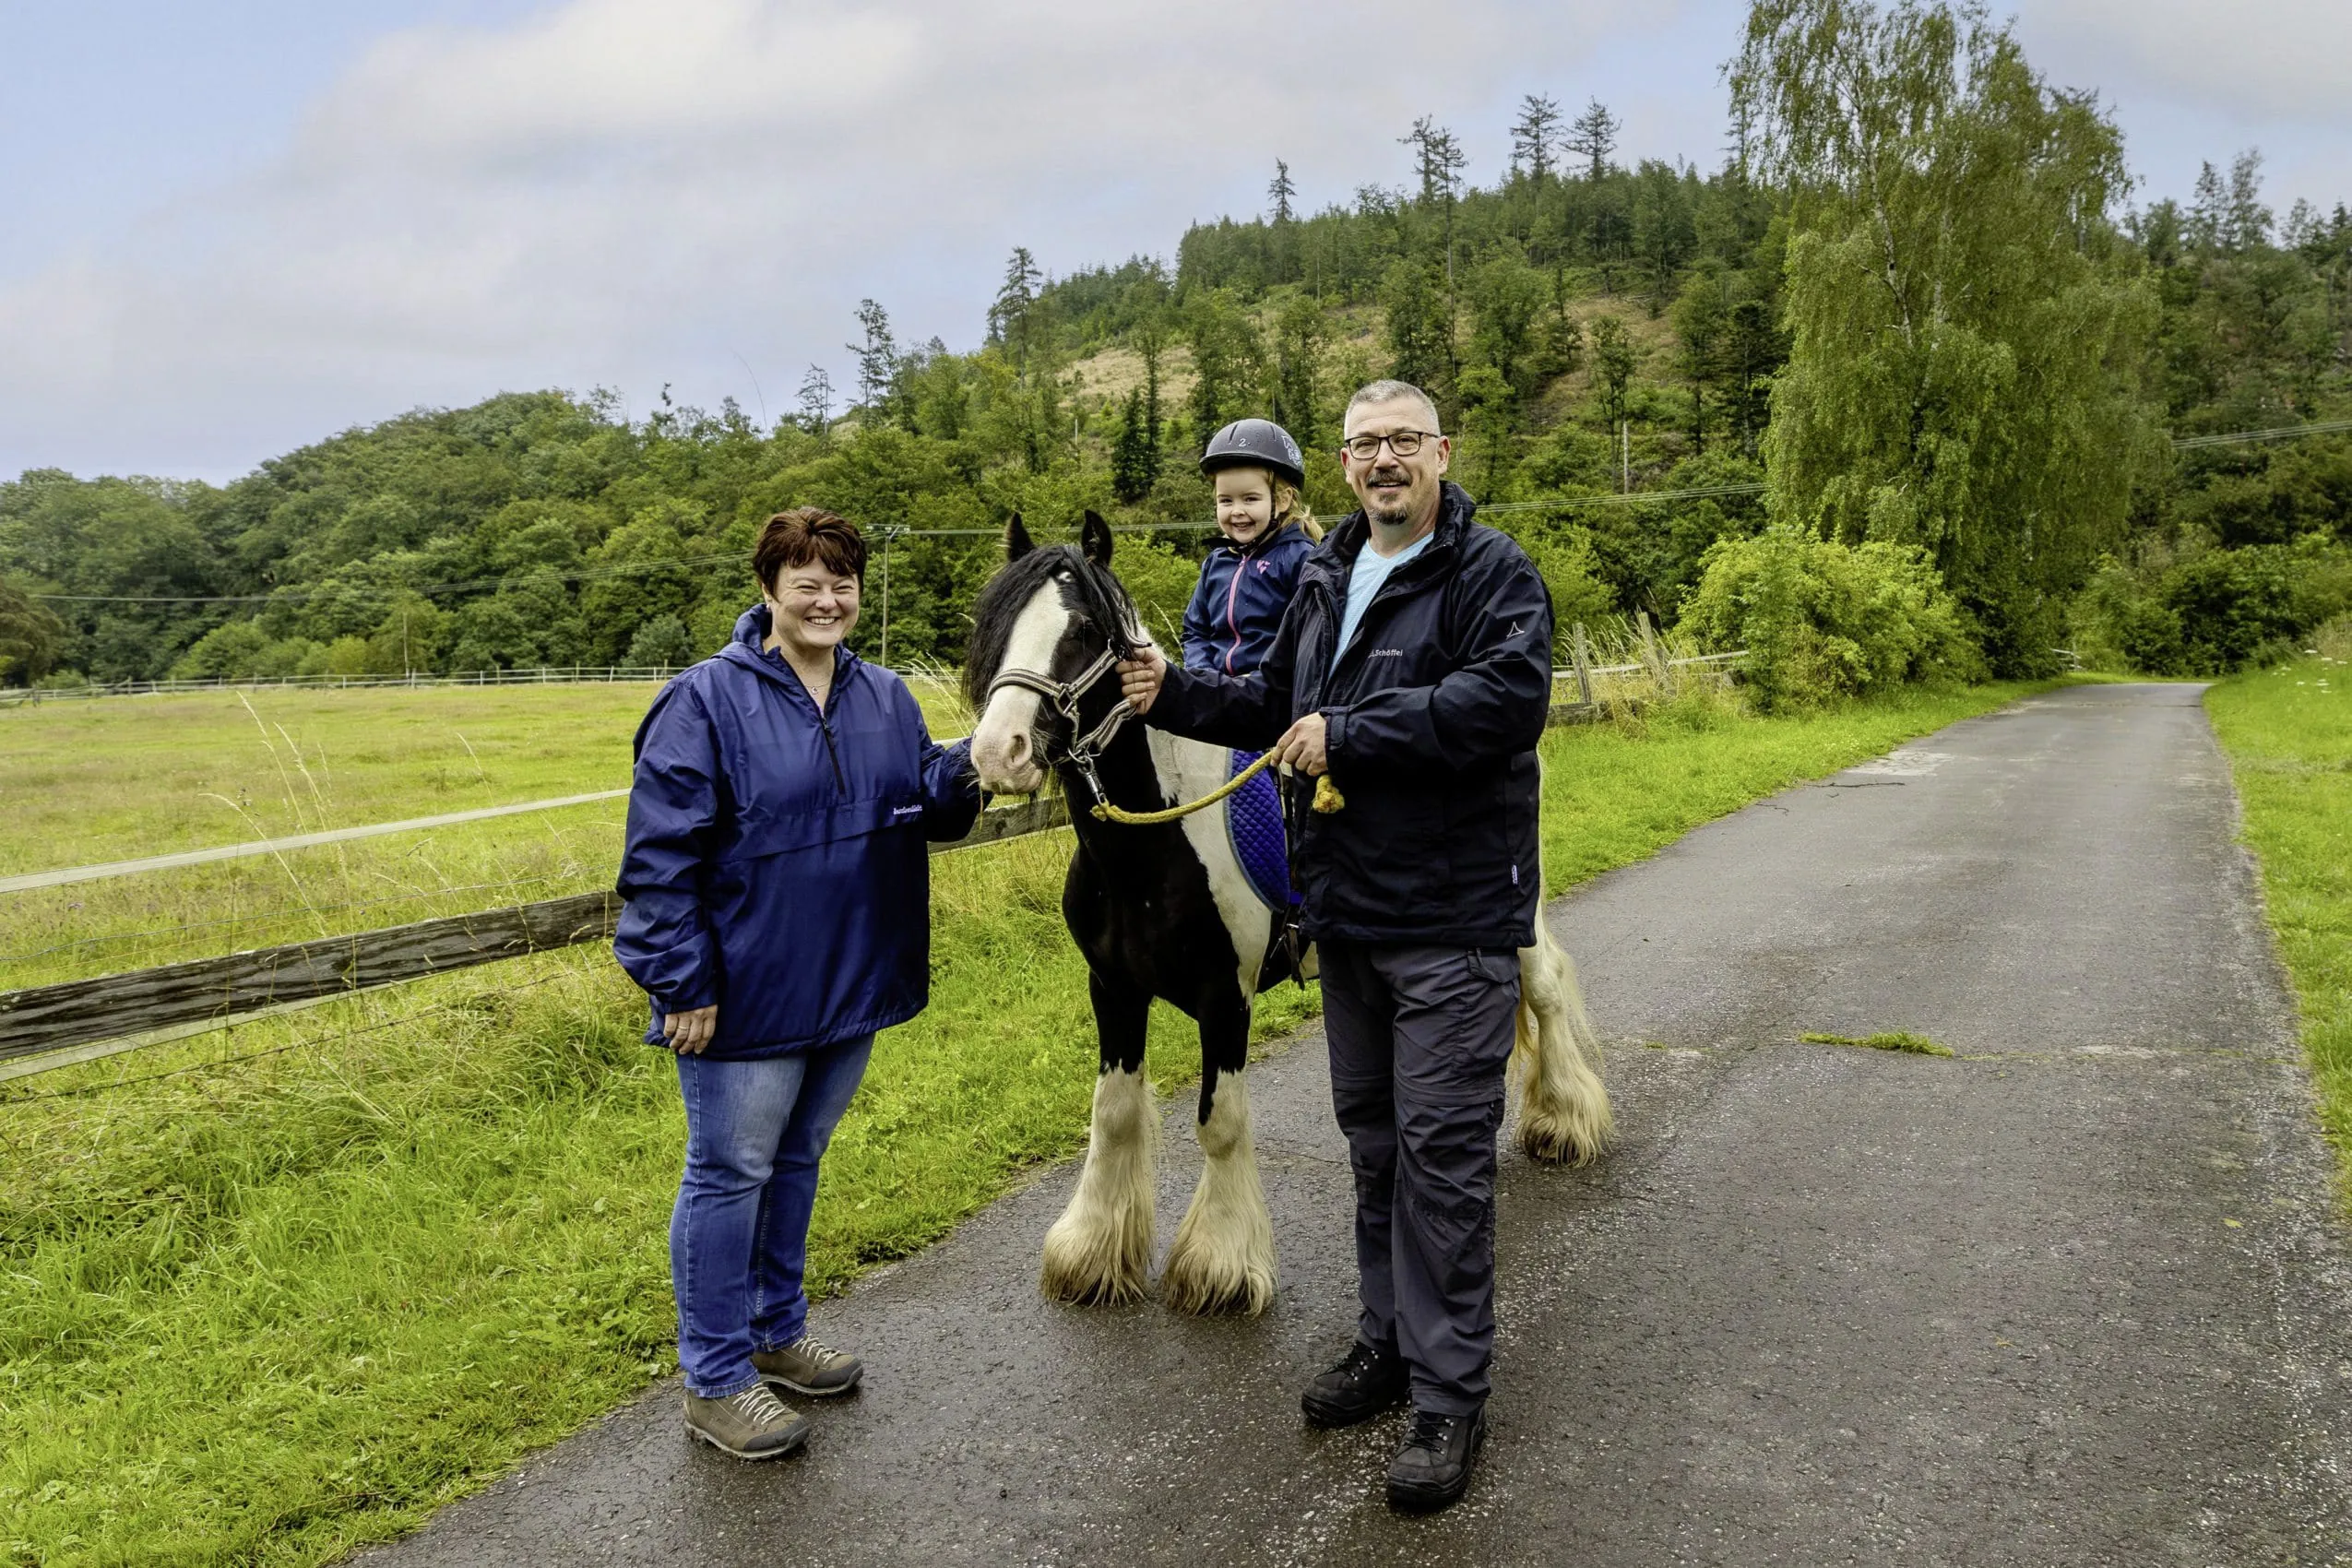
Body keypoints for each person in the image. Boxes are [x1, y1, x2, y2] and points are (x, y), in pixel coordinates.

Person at [1115, 380, 1553, 1512]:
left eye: (1404, 440)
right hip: (1348, 916)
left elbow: (1505, 701)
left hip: (1453, 920)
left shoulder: (1489, 571)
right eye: (1365, 444)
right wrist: (1175, 694)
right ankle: (1388, 1343)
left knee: (1444, 1160)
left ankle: (1451, 1394)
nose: (1384, 460)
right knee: (1375, 1146)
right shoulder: (1325, 572)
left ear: (1442, 451)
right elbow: (1270, 702)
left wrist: (1351, 731)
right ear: (1344, 465)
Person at [614, 506, 980, 1462]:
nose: (828, 599)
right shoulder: (701, 701)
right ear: (769, 589)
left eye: (842, 581)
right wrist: (679, 980)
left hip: (852, 977)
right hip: (743, 993)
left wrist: (974, 766)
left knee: (799, 1156)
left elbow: (924, 807)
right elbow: (660, 860)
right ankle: (716, 1377)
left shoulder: (887, 696)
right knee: (729, 1170)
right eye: (807, 581)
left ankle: (777, 1330)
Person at [1181, 418, 1318, 678]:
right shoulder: (1217, 561)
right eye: (1226, 500)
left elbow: (1307, 640)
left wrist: (1257, 682)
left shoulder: (1300, 559)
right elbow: (1195, 630)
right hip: (1219, 694)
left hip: (1272, 699)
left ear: (1282, 500)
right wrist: (1203, 676)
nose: (1237, 511)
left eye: (1250, 499)